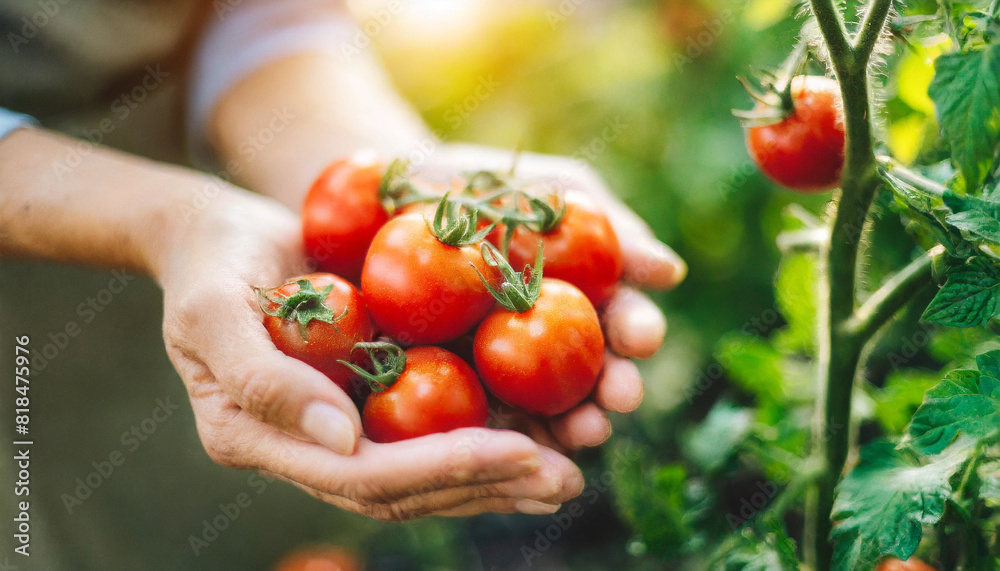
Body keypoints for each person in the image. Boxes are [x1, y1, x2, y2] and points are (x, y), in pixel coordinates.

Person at [0, 0, 686, 521]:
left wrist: (367, 166)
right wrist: (172, 221)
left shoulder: (398, 290)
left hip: (267, 293)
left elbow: (262, 20)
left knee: (313, 486)